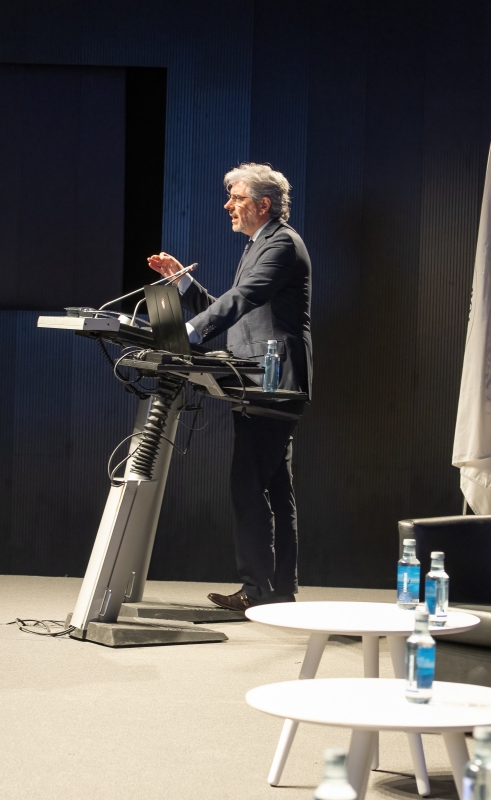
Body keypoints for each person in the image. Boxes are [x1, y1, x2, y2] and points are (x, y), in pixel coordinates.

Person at [147, 163, 313, 611]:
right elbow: (234, 307)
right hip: (257, 379)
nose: (228, 205)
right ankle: (277, 592)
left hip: (273, 381)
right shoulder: (261, 245)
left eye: (236, 198)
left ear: (263, 204)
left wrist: (189, 333)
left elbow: (242, 299)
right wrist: (182, 281)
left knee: (248, 485)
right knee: (275, 488)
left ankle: (257, 591)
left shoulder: (281, 244)